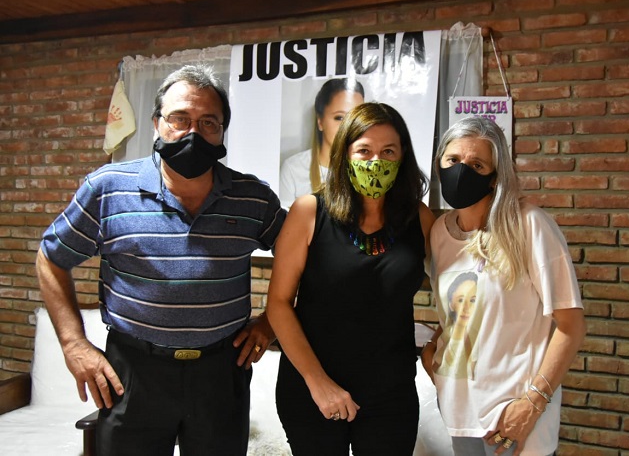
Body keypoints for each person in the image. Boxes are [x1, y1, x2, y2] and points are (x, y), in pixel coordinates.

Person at [35, 64, 286, 456]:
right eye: (179, 119)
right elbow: (50, 258)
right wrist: (73, 343)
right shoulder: (107, 189)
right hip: (134, 373)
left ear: (222, 131)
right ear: (156, 123)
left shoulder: (253, 198)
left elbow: (301, 257)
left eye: (208, 123)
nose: (193, 133)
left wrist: (272, 322)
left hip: (221, 373)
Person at [266, 102, 435, 455]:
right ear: (345, 154)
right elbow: (279, 304)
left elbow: (457, 287)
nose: (377, 161)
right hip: (313, 388)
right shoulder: (309, 211)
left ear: (403, 155)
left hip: (392, 393)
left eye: (388, 151)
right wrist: (319, 384)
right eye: (364, 150)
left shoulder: (418, 217)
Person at [420, 117, 586, 456]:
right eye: (453, 160)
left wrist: (532, 404)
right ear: (439, 164)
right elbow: (460, 312)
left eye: (477, 164)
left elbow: (571, 326)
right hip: (457, 410)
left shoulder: (530, 226)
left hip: (513, 416)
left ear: (495, 178)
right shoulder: (440, 232)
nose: (461, 170)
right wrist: (434, 352)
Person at [279, 77, 365, 208]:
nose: (348, 127)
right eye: (339, 117)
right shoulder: (293, 169)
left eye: (356, 118)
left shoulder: (372, 169)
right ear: (320, 122)